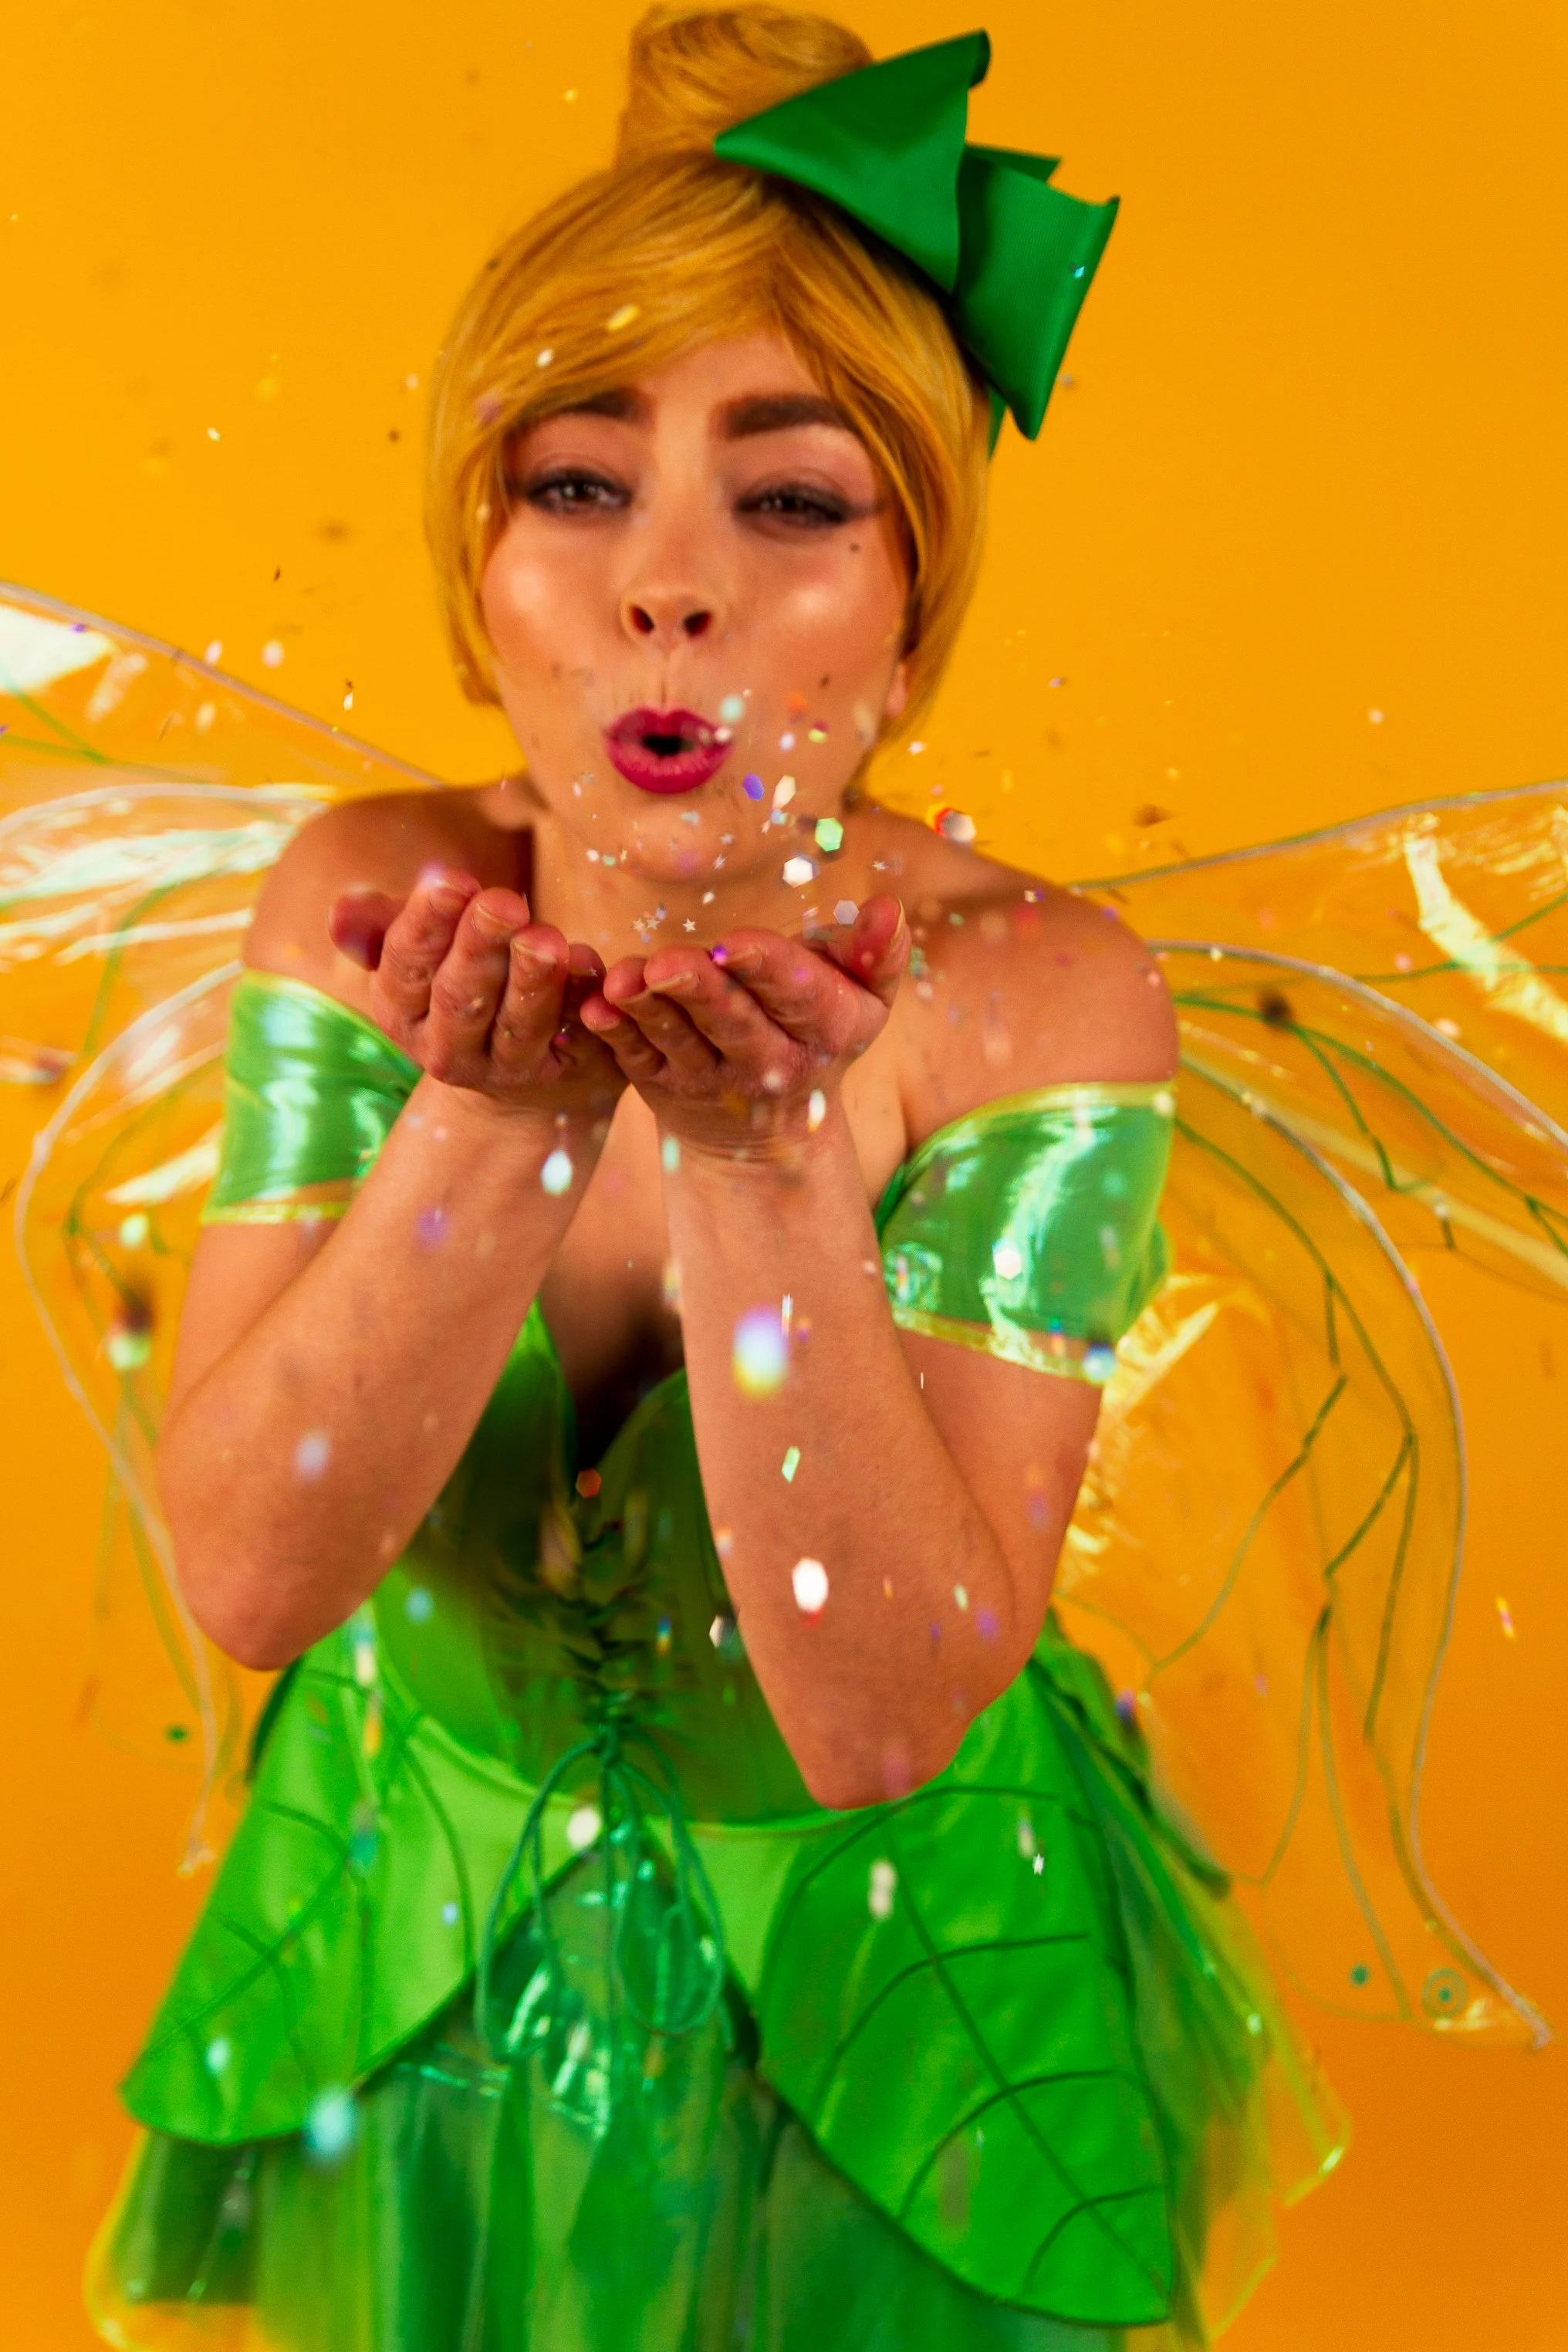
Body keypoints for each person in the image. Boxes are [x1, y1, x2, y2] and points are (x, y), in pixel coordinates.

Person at [0, 7, 1543, 2348]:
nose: (672, 587)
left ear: (915, 607)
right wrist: (493, 1118)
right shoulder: (364, 904)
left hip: (893, 2012)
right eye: (581, 482)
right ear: (477, 562)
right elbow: (245, 1570)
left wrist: (757, 1173)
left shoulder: (1030, 996)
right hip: (416, 1971)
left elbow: (883, 1717)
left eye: (796, 498)